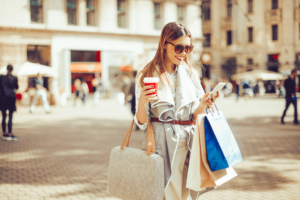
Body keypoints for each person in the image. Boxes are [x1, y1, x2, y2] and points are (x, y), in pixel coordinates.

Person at [134, 22, 219, 200]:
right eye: (179, 47)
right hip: (161, 144)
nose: (183, 53)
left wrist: (204, 103)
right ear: (165, 44)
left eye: (188, 48)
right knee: (164, 194)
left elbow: (195, 116)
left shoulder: (190, 73)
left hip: (189, 142)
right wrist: (142, 100)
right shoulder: (147, 73)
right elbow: (141, 123)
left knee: (186, 195)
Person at [0, 65, 19, 141]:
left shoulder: (1, 77)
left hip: (3, 99)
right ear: (12, 70)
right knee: (10, 117)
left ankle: (4, 133)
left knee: (4, 116)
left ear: (7, 69)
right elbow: (17, 87)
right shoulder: (14, 78)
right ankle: (10, 133)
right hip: (11, 98)